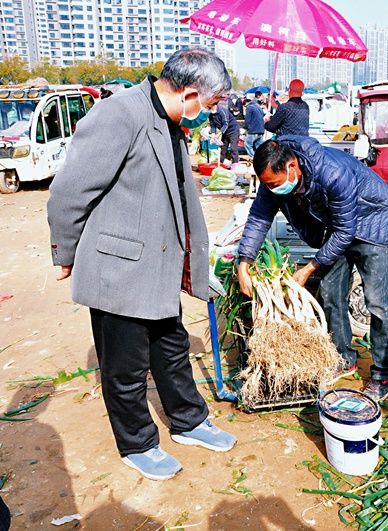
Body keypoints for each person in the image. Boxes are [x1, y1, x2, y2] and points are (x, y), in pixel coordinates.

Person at [47, 48, 237, 482]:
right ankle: (137, 443)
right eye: (207, 106)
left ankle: (189, 421)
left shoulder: (171, 122)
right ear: (189, 94)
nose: (206, 115)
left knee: (172, 351)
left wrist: (196, 259)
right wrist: (65, 252)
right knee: (126, 368)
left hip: (161, 263)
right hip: (119, 267)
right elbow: (69, 191)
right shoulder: (119, 115)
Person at [236, 137, 388, 402]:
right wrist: (244, 263)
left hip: (371, 219)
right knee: (330, 292)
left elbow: (346, 232)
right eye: (268, 185)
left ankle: (385, 373)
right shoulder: (273, 177)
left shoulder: (332, 173)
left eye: (275, 184)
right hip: (337, 224)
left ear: (292, 165)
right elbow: (259, 217)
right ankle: (345, 358)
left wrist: (309, 268)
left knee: (377, 301)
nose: (273, 189)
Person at [244, 91, 266, 157]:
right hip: (261, 130)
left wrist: (246, 128)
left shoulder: (249, 107)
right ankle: (260, 159)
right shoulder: (258, 107)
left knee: (247, 144)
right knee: (259, 147)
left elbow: (247, 120)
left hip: (253, 130)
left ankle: (253, 158)